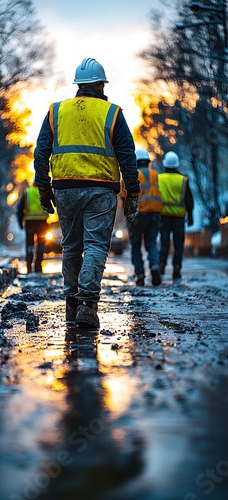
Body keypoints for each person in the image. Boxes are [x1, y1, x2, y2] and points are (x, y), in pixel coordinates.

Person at [33, 57, 140, 328]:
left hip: (65, 188)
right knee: (95, 246)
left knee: (71, 247)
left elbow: (41, 151)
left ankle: (71, 305)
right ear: (101, 86)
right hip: (101, 190)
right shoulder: (112, 113)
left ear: (78, 85)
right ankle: (87, 306)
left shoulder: (56, 111)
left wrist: (43, 188)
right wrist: (132, 194)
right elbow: (127, 156)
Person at [125, 149, 162, 286]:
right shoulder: (155, 174)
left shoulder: (134, 175)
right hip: (154, 213)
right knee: (151, 243)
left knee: (136, 244)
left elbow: (125, 193)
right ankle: (154, 266)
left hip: (138, 214)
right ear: (148, 162)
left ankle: (140, 274)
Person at [158, 151, 194, 280]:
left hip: (163, 217)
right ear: (177, 165)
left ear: (165, 164)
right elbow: (189, 200)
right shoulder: (183, 180)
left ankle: (161, 266)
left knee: (164, 242)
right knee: (178, 244)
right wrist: (190, 216)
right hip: (179, 218)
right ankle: (177, 269)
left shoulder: (159, 178)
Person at [17, 184, 49, 273]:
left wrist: (20, 223)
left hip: (30, 222)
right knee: (41, 245)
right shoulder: (44, 193)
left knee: (29, 244)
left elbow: (19, 209)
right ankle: (38, 266)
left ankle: (29, 266)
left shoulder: (27, 192)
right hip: (42, 222)